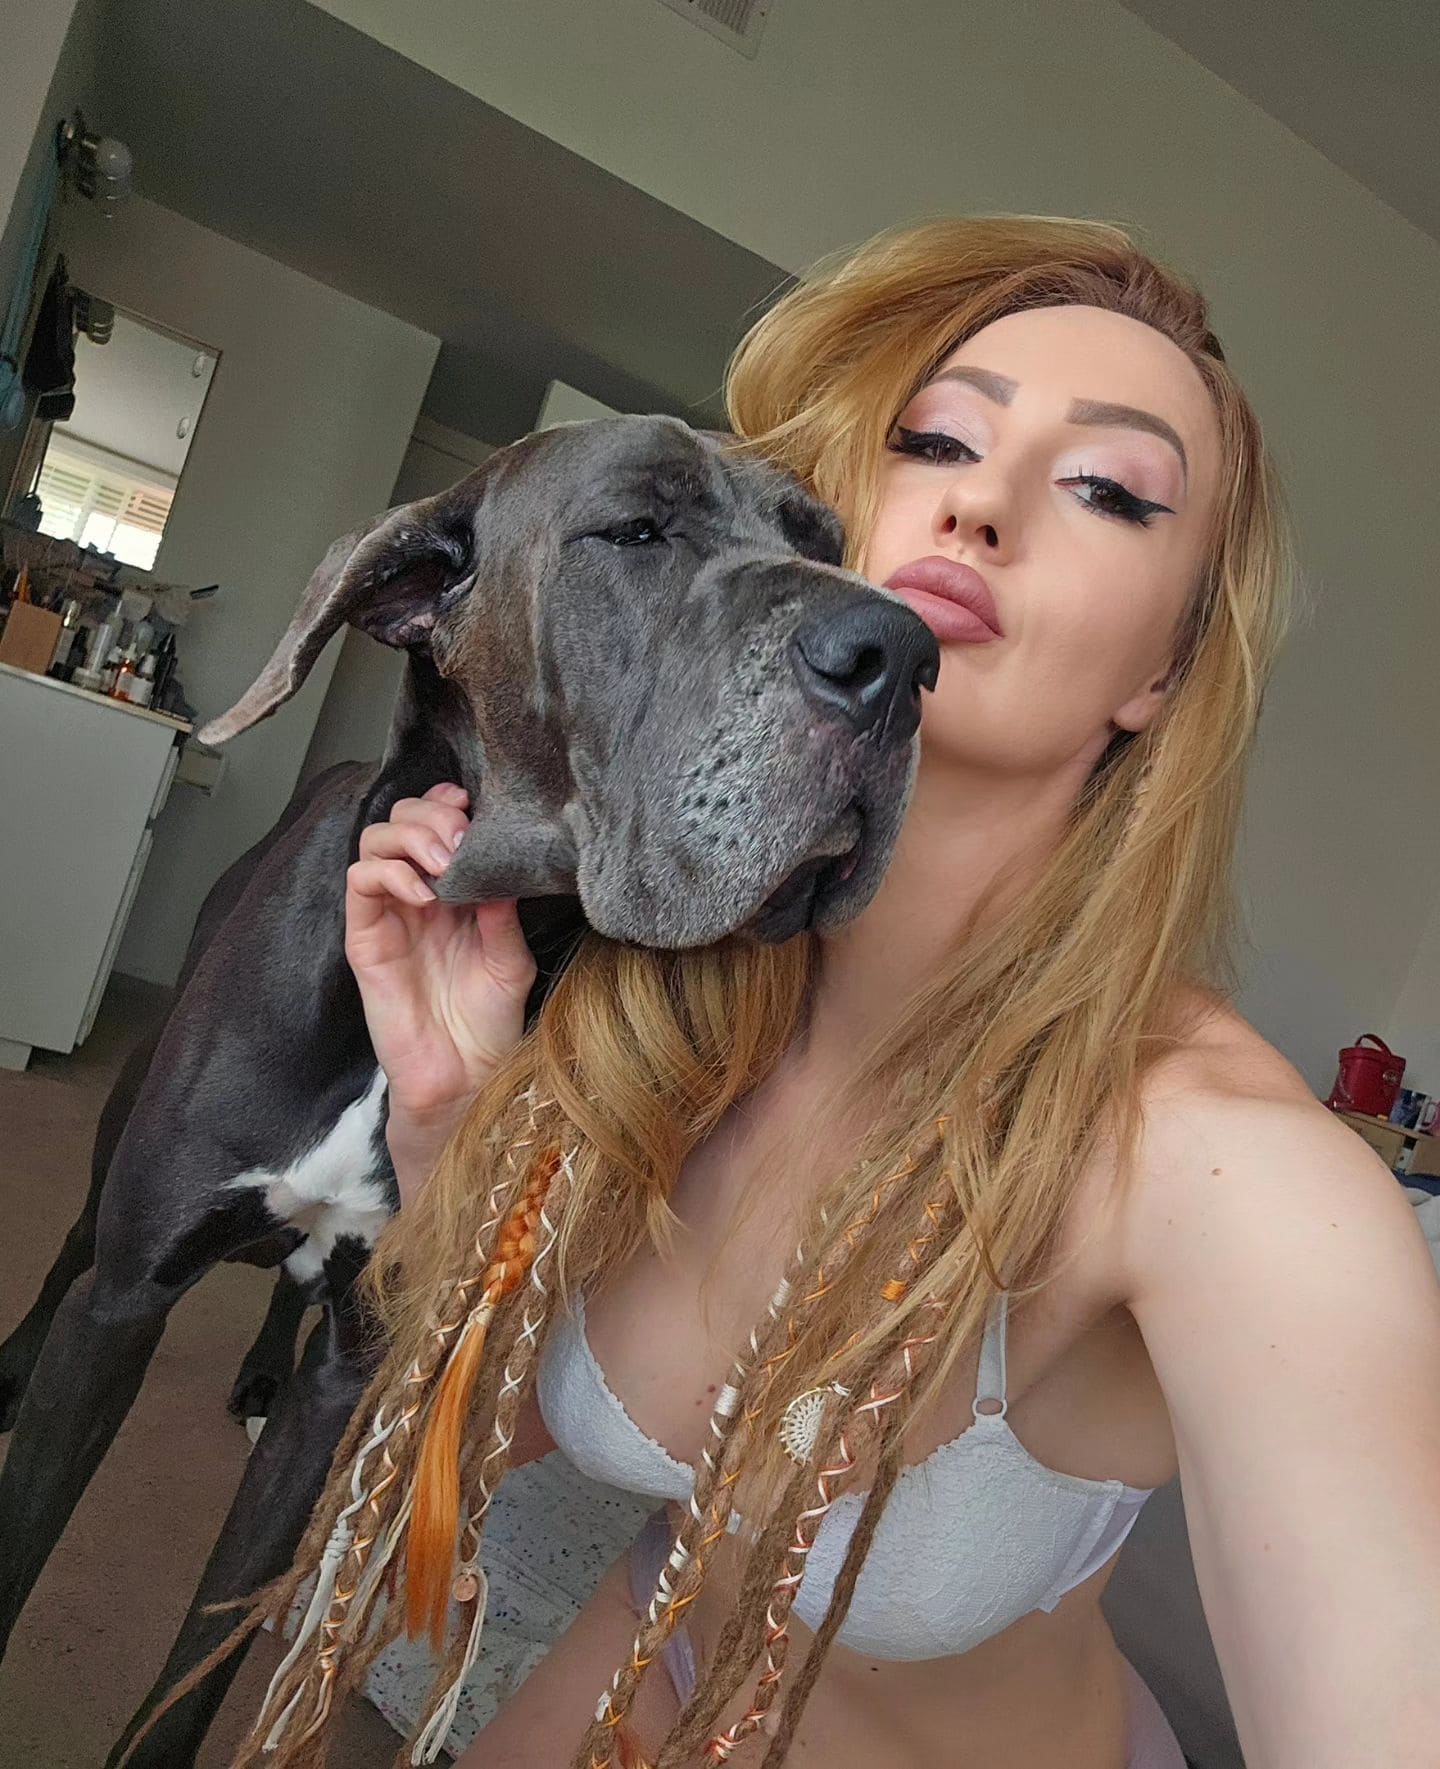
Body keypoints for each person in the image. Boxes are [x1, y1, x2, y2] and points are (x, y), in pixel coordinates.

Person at [234, 218, 1440, 1768]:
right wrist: (448, 1110)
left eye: (1106, 488)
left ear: (1161, 670)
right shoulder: (671, 999)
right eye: (934, 441)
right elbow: (483, 1433)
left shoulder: (1226, 1168)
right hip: (650, 1666)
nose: (980, 505)